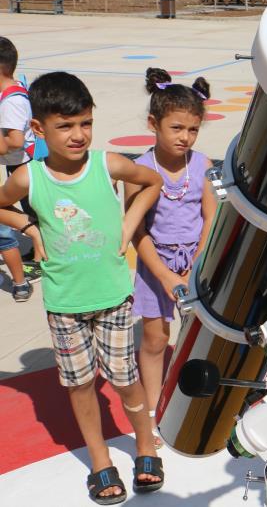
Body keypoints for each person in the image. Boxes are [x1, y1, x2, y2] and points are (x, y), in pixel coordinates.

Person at [0, 71, 166, 504]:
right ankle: (100, 460)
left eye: (86, 123)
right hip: (64, 303)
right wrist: (28, 227)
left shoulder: (106, 164)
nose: (78, 135)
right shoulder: (28, 178)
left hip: (112, 297)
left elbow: (152, 183)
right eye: (65, 126)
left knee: (126, 381)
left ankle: (145, 443)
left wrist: (128, 225)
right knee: (80, 386)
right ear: (38, 129)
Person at [125, 68, 216, 450]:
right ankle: (151, 410)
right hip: (154, 266)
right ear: (153, 123)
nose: (185, 137)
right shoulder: (139, 170)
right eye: (177, 128)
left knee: (202, 334)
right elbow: (137, 230)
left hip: (196, 263)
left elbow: (211, 215)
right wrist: (162, 274)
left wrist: (198, 260)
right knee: (155, 337)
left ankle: (198, 400)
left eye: (192, 130)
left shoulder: (202, 164)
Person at [0, 36, 42, 302]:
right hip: (17, 163)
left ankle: (40, 258)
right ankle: (38, 246)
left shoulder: (11, 101)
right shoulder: (9, 93)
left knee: (30, 209)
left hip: (23, 164)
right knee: (27, 208)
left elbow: (13, 141)